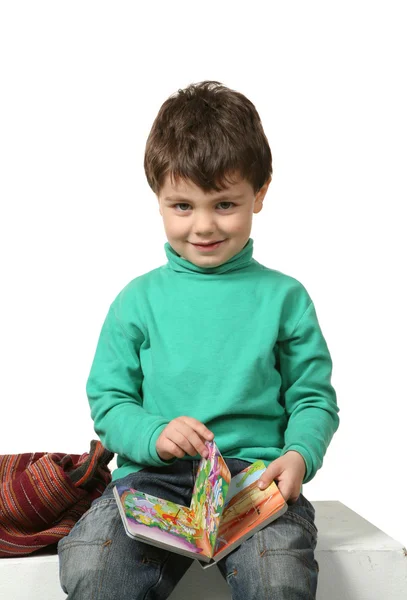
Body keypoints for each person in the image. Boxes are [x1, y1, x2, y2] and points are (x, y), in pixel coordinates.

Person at [57, 80, 340, 600]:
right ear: (158, 199)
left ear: (260, 192)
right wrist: (154, 434)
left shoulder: (285, 298)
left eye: (225, 204)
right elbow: (110, 400)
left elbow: (313, 397)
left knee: (278, 578)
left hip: (253, 482)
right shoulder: (137, 301)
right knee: (93, 569)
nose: (204, 226)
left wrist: (299, 455)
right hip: (152, 482)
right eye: (182, 206)